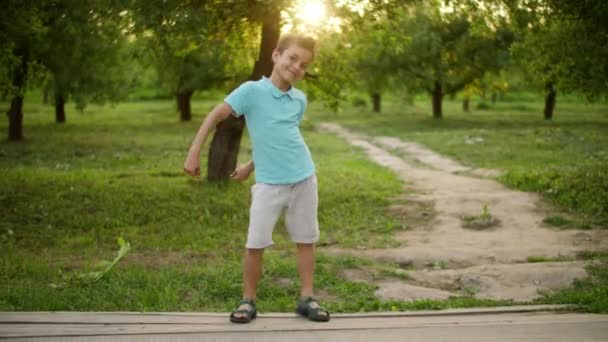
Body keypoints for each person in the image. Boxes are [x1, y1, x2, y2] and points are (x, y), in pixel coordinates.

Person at [183, 33, 330, 324]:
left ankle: (307, 297)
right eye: (292, 58)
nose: (297, 67)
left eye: (304, 64)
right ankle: (248, 300)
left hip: (303, 177)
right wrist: (194, 151)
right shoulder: (251, 91)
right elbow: (215, 115)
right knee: (255, 243)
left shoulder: (299, 99)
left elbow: (281, 136)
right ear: (276, 55)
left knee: (306, 240)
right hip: (269, 184)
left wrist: (249, 165)